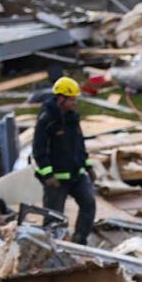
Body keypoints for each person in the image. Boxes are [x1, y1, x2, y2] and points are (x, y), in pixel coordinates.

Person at [33, 76, 96, 244]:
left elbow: (79, 144)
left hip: (76, 174)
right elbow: (38, 150)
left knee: (89, 203)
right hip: (56, 180)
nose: (74, 103)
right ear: (61, 98)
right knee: (54, 217)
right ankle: (52, 247)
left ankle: (79, 240)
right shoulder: (47, 119)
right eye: (72, 99)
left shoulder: (72, 118)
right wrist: (48, 175)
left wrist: (87, 166)